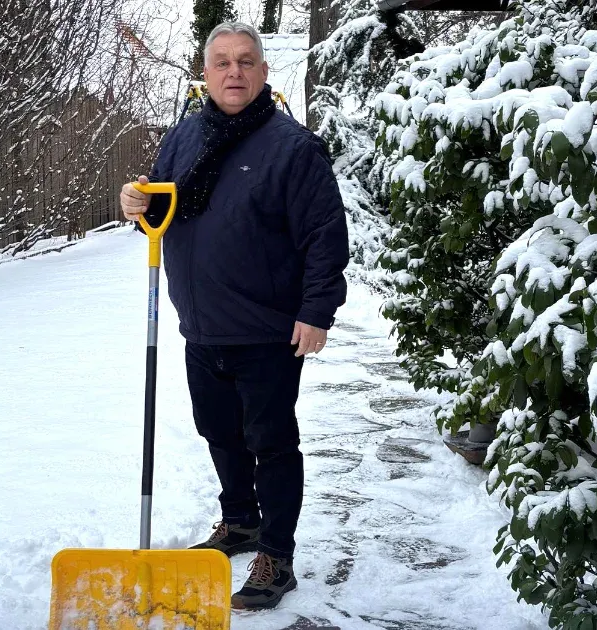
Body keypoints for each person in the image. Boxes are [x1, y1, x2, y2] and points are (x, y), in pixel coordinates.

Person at [118, 21, 349, 611]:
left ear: (264, 73)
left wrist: (316, 311)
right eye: (221, 62)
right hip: (201, 324)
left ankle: (277, 552)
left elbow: (325, 235)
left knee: (270, 442)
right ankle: (240, 521)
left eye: (246, 61)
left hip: (268, 329)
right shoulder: (184, 137)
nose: (234, 72)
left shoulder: (293, 148)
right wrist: (136, 203)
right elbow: (162, 210)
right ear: (205, 71)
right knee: (219, 432)